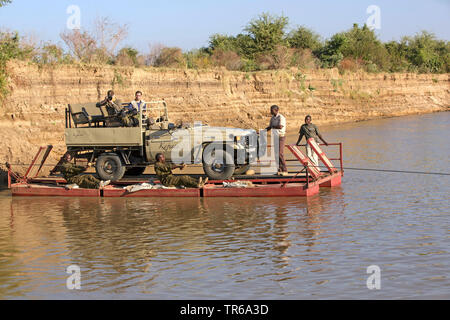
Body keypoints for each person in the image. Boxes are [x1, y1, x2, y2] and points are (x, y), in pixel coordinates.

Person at [266, 105, 288, 176]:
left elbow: (280, 126)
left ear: (276, 110)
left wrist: (273, 127)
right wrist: (263, 131)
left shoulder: (281, 117)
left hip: (281, 136)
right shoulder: (272, 118)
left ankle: (285, 170)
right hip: (275, 137)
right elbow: (270, 127)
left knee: (280, 153)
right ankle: (279, 170)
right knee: (275, 154)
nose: (270, 111)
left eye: (271, 110)